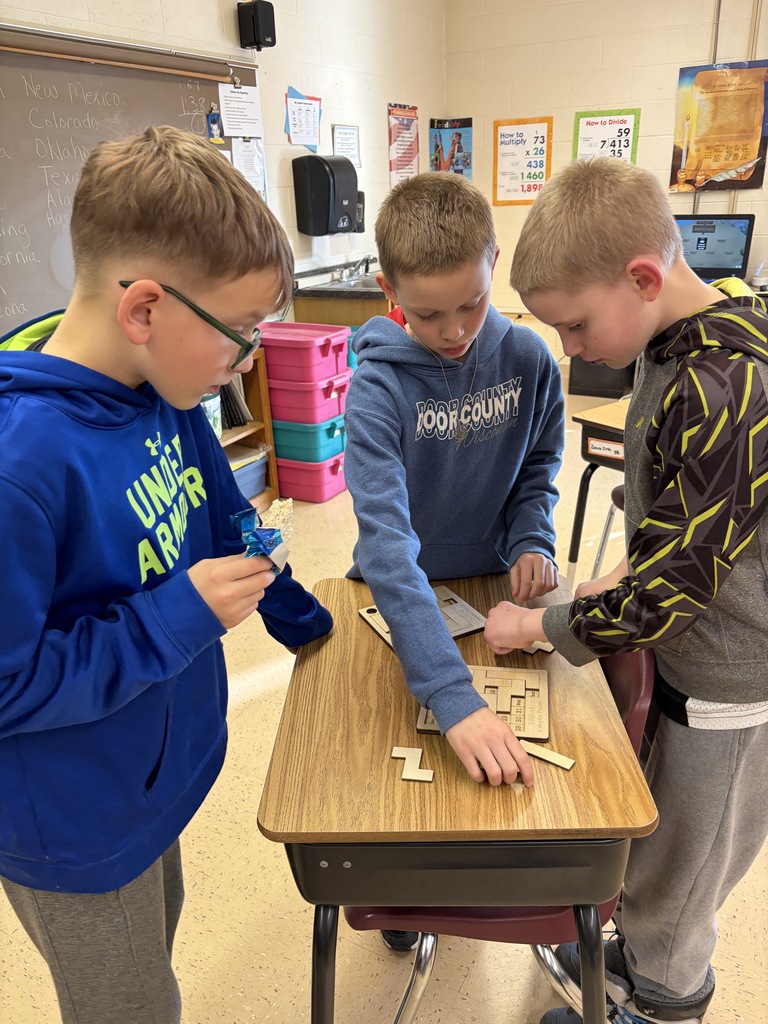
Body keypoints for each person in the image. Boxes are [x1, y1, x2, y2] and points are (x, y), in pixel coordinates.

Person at [0, 125, 333, 1024]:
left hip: (149, 775)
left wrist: (305, 620)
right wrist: (170, 619)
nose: (249, 358)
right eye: (241, 333)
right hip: (75, 825)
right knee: (130, 1007)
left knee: (160, 957)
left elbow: (222, 516)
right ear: (144, 309)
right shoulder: (20, 466)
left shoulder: (164, 392)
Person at [484, 157, 768, 1024]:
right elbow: (666, 527)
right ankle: (636, 946)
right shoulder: (667, 336)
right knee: (654, 840)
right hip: (690, 654)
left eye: (574, 325)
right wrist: (597, 584)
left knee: (686, 875)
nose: (570, 349)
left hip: (730, 684)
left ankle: (662, 998)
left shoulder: (726, 383)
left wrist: (543, 625)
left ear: (643, 278)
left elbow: (663, 595)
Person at [344, 172, 565, 795]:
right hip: (395, 595)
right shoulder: (376, 390)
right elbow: (386, 547)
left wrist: (533, 538)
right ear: (390, 291)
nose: (454, 330)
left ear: (494, 262)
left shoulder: (529, 358)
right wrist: (450, 694)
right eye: (428, 313)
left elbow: (539, 465)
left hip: (496, 585)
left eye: (472, 302)